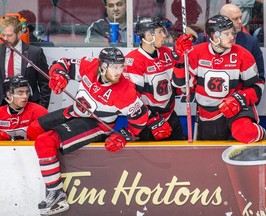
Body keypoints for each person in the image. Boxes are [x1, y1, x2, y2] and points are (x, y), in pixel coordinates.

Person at [27, 47, 171, 215]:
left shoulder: (126, 91)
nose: (119, 71)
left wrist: (125, 135)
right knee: (33, 129)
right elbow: (63, 63)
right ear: (102, 65)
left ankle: (56, 194)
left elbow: (140, 120)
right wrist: (59, 75)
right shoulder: (90, 65)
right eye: (114, 67)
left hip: (96, 124)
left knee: (45, 141)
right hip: (75, 111)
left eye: (121, 66)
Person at [173, 15, 266, 143]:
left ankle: (263, 133)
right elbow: (181, 86)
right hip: (207, 114)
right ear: (214, 36)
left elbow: (257, 87)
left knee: (246, 133)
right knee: (209, 156)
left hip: (235, 110)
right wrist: (180, 59)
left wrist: (238, 99)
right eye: (226, 34)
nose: (232, 37)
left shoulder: (243, 55)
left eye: (232, 33)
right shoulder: (196, 53)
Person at [124, 16, 186, 141]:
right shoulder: (134, 60)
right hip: (147, 122)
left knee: (180, 156)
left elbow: (180, 87)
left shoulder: (166, 53)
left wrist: (180, 58)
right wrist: (154, 120)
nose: (164, 35)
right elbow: (132, 99)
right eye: (160, 32)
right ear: (148, 36)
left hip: (170, 117)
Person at [194, 3, 265, 82]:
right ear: (222, 20)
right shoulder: (204, 38)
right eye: (235, 19)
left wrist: (242, 94)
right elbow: (190, 67)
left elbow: (259, 78)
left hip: (237, 91)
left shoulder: (251, 42)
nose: (240, 21)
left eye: (241, 17)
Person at [0, 16, 51, 108]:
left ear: (19, 34)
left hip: (29, 104)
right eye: (3, 35)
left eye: (9, 35)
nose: (5, 39)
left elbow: (45, 84)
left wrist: (41, 108)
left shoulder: (35, 53)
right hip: (2, 105)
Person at [0, 75, 48, 141]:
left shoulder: (39, 111)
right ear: (9, 95)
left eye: (27, 92)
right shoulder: (0, 113)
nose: (25, 96)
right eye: (20, 93)